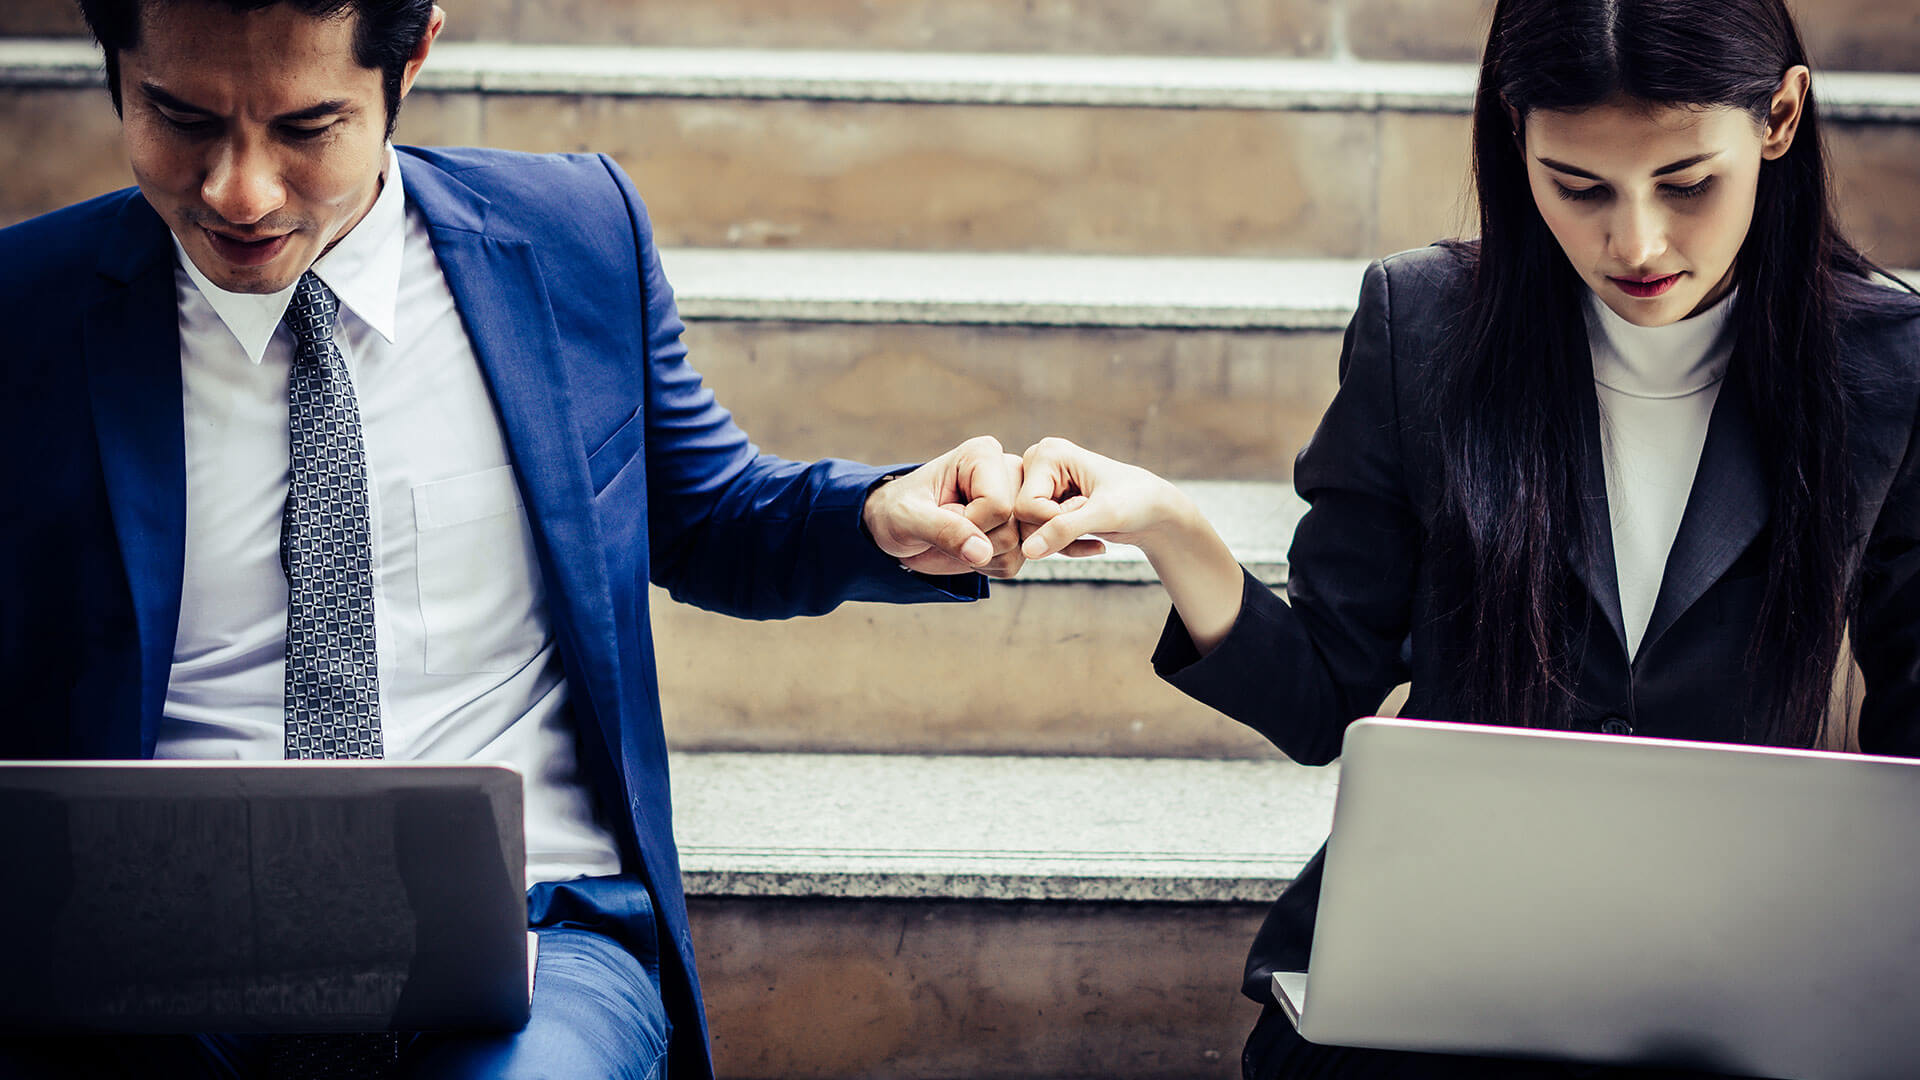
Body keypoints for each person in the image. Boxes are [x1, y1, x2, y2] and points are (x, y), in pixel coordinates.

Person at [0, 0, 1031, 1076]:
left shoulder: (571, 234)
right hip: (141, 960)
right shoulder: (23, 311)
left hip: (537, 935)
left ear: (415, 58)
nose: (240, 191)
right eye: (182, 118)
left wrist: (877, 517)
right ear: (113, 63)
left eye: (308, 128)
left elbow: (708, 514)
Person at [1013, 0, 1920, 1075]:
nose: (1636, 241)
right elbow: (1320, 700)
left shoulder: (1886, 366)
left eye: (1687, 182)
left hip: (1733, 976)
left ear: (1779, 118)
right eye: (1577, 186)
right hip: (1441, 972)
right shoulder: (1426, 326)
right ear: (1514, 132)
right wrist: (1171, 523)